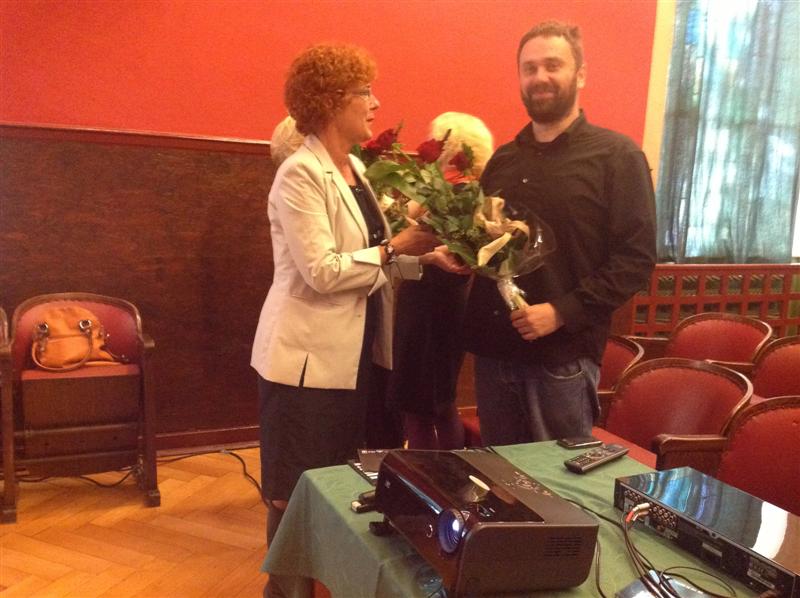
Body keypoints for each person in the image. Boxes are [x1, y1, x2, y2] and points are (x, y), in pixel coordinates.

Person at [251, 44, 460, 598]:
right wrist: (396, 249)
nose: (376, 102)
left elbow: (371, 260)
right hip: (304, 364)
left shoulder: (356, 169)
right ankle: (285, 593)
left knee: (337, 484)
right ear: (329, 101)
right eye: (364, 91)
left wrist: (425, 259)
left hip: (354, 356)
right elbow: (323, 272)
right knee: (295, 493)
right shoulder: (299, 174)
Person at [462, 21, 657, 446]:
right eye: (529, 68)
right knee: (500, 480)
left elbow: (636, 260)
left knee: (558, 483)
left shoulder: (617, 157)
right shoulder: (503, 160)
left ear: (580, 74)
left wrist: (562, 311)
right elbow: (485, 243)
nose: (540, 77)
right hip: (494, 355)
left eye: (553, 65)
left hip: (562, 359)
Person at [388, 112, 493, 449]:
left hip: (432, 302)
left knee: (423, 404)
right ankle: (444, 470)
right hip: (438, 299)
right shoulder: (464, 189)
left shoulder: (458, 191)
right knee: (435, 401)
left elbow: (421, 237)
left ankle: (430, 473)